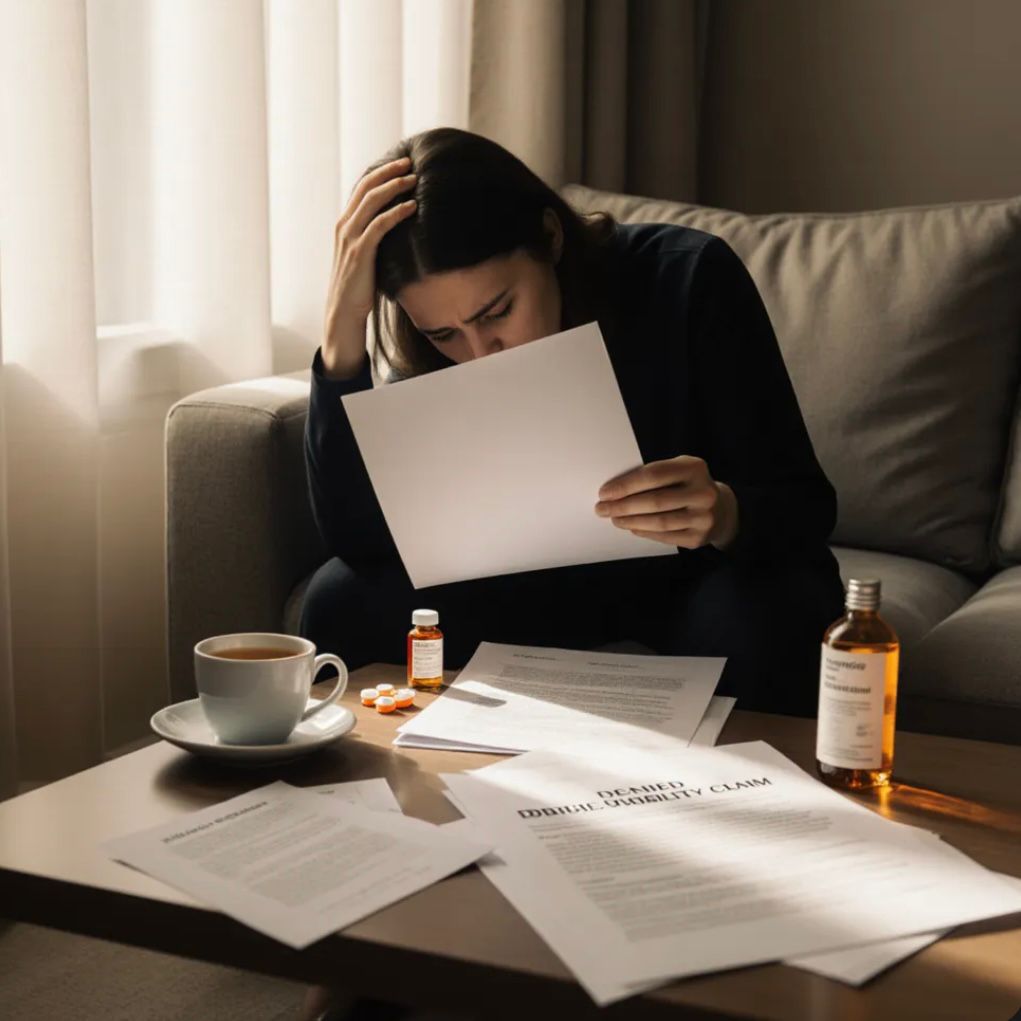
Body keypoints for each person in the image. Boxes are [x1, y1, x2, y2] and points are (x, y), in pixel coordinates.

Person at [300, 125, 845, 722]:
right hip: (523, 593)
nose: (483, 351)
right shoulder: (429, 348)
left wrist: (724, 510)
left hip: (690, 583)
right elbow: (355, 541)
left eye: (498, 311)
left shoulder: (688, 277)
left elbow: (805, 507)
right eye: (446, 334)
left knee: (771, 615)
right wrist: (341, 336)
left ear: (551, 237)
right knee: (338, 599)